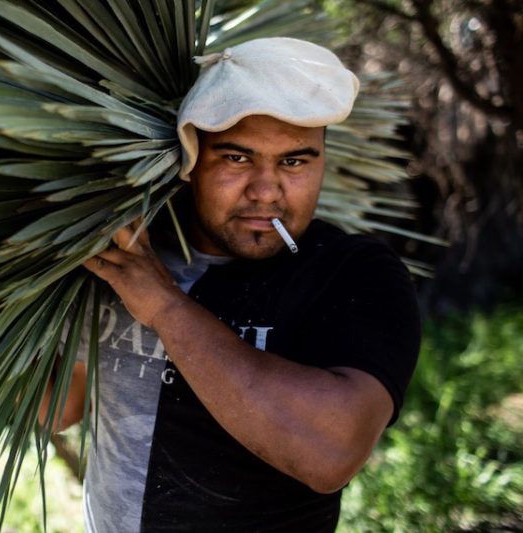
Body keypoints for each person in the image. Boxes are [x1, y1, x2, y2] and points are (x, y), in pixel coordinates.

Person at [46, 37, 420, 532]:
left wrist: (165, 308)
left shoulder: (353, 272)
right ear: (192, 159)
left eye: (294, 161)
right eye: (237, 159)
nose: (266, 191)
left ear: (322, 161)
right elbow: (61, 408)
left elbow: (331, 453)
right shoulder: (131, 252)